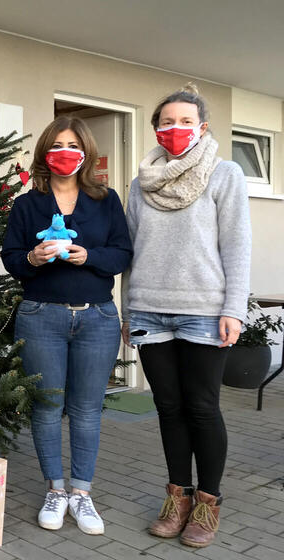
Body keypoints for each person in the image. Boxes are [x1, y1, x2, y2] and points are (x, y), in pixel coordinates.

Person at [122, 83, 250, 548]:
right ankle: (177, 497)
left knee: (202, 408)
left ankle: (207, 503)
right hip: (150, 312)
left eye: (184, 121)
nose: (175, 129)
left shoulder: (225, 173)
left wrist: (234, 309)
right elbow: (131, 254)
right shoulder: (140, 183)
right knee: (168, 409)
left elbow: (237, 246)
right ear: (156, 128)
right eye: (167, 121)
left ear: (202, 127)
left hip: (204, 312)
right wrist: (128, 312)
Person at [1, 116, 132, 535]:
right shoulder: (27, 204)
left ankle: (82, 493)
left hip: (97, 317)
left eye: (73, 145)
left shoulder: (106, 199)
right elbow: (11, 258)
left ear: (86, 152)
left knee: (87, 409)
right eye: (57, 145)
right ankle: (55, 490)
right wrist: (32, 260)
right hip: (42, 316)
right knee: (47, 406)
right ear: (45, 152)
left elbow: (122, 255)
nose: (65, 152)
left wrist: (87, 256)